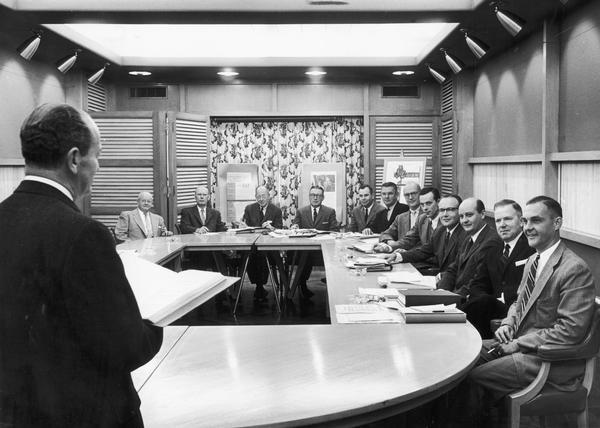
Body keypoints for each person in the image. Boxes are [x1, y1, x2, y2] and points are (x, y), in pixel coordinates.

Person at [0, 104, 163, 427]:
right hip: (81, 412)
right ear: (75, 159)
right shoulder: (84, 234)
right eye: (97, 156)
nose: (98, 166)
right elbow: (126, 347)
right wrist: (156, 322)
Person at [468, 196, 596, 421]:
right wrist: (508, 323)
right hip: (523, 347)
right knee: (467, 355)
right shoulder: (533, 260)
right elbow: (519, 302)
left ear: (557, 223)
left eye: (535, 221)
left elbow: (570, 331)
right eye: (525, 222)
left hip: (550, 361)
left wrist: (517, 343)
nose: (527, 228)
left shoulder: (574, 269)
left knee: (471, 377)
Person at [461, 199, 535, 339]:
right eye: (498, 220)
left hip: (515, 310)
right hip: (490, 307)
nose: (502, 225)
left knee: (481, 304)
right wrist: (485, 297)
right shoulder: (494, 248)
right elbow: (478, 284)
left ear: (521, 221)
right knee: (480, 301)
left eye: (507, 219)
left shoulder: (531, 248)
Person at [384, 194, 467, 275]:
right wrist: (397, 256)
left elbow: (459, 269)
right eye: (442, 210)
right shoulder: (440, 231)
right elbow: (424, 251)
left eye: (450, 210)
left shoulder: (465, 234)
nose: (445, 214)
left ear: (460, 211)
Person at [437, 197, 503, 297]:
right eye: (461, 216)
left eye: (469, 215)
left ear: (482, 214)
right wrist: (441, 291)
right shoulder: (468, 237)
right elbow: (453, 269)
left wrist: (449, 299)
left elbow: (477, 282)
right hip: (456, 295)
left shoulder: (492, 242)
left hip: (470, 300)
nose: (464, 220)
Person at [292, 185, 339, 298]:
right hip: (304, 249)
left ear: (323, 197)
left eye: (318, 195)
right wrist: (294, 227)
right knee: (304, 256)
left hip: (322, 250)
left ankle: (332, 289)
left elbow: (335, 231)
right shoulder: (301, 211)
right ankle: (301, 284)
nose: (315, 198)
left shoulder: (329, 212)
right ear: (309, 197)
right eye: (313, 195)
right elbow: (294, 226)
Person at [240, 186, 283, 300]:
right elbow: (245, 225)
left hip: (270, 245)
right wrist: (243, 226)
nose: (261, 198)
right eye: (258, 196)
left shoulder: (276, 210)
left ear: (269, 196)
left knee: (262, 254)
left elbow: (280, 229)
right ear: (255, 197)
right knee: (249, 254)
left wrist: (272, 228)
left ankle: (260, 286)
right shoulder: (249, 208)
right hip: (253, 245)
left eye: (264, 196)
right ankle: (258, 285)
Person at [375, 186, 441, 254]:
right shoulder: (421, 218)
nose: (425, 208)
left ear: (438, 202)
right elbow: (409, 239)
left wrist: (408, 253)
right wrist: (388, 247)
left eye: (429, 203)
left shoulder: (445, 221)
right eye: (422, 204)